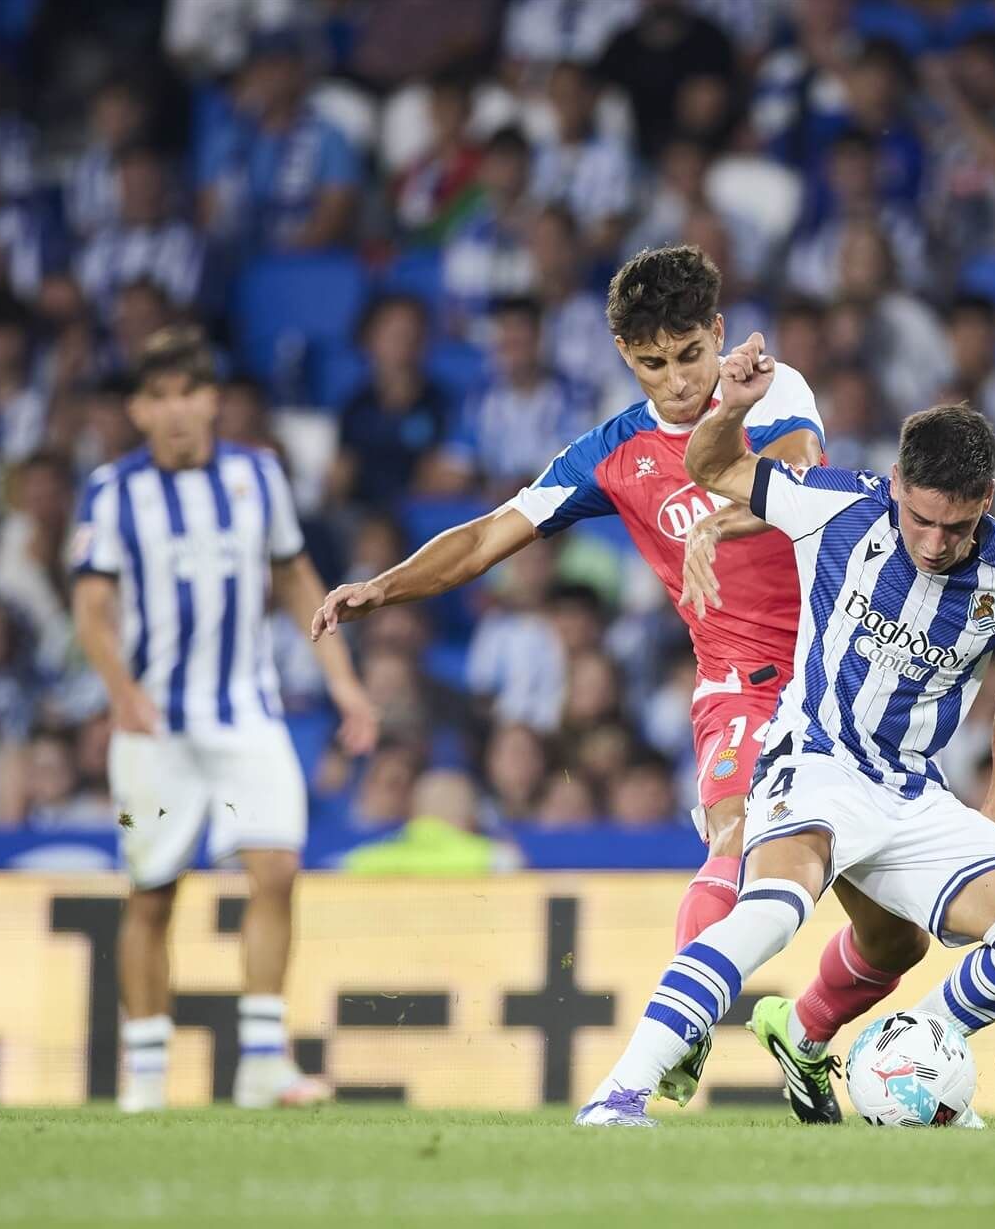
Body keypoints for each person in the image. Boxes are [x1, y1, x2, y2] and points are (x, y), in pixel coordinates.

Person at [311, 246, 932, 1123]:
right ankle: (676, 1036)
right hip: (743, 685)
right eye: (653, 363)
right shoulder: (610, 454)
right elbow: (489, 534)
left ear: (718, 333)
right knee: (735, 839)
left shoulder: (767, 390)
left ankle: (802, 1031)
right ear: (623, 356)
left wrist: (721, 520)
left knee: (895, 939)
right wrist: (384, 585)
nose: (677, 382)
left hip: (843, 683)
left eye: (690, 355)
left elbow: (799, 477)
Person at [574, 349, 995, 1129]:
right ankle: (617, 1095)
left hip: (912, 791)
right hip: (813, 759)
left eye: (956, 526)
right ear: (897, 484)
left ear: (986, 498)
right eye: (920, 518)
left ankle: (908, 1048)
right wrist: (733, 406)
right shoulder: (836, 504)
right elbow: (711, 467)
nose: (934, 543)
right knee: (772, 910)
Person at [70, 326, 380, 1112]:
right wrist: (121, 693)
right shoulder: (112, 491)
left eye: (190, 393)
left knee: (276, 869)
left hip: (246, 712)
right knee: (152, 894)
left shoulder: (257, 476)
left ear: (213, 400)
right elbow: (92, 608)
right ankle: (146, 1076)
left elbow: (294, 576)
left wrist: (343, 682)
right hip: (155, 725)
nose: (177, 410)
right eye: (159, 397)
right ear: (139, 410)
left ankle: (263, 1063)